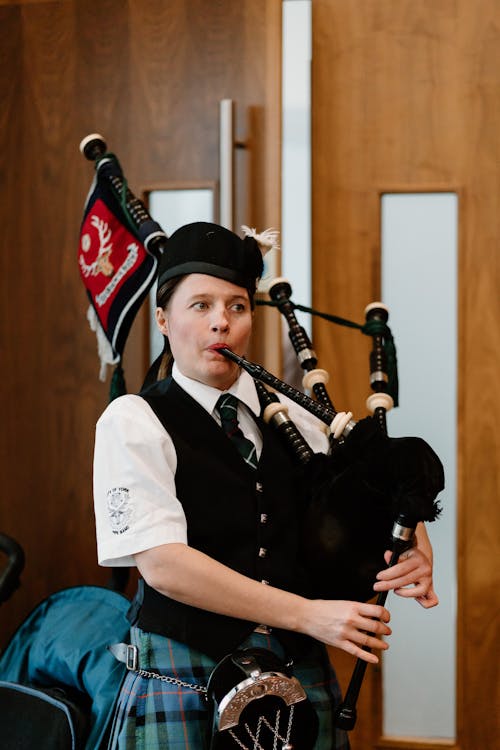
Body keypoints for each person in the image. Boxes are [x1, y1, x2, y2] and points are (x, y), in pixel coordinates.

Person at [93, 222, 440, 750]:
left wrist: (413, 542)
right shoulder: (135, 421)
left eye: (236, 307)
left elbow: (364, 501)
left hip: (298, 679)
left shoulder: (296, 420)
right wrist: (307, 614)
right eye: (200, 306)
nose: (221, 325)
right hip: (185, 680)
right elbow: (163, 564)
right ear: (164, 319)